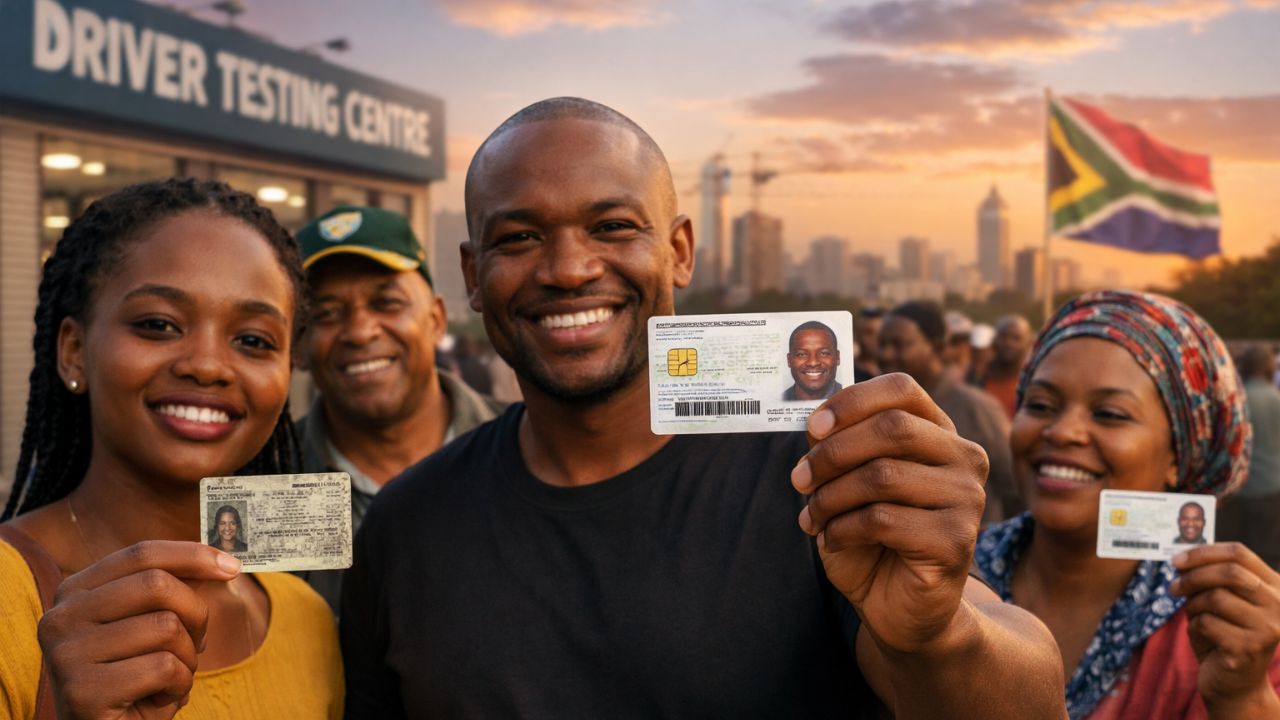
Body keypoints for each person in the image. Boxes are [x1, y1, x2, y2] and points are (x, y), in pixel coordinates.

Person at [340, 97, 1065, 718]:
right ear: (472, 274)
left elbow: (1031, 697)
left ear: (679, 252)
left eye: (612, 226)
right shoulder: (406, 526)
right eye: (520, 237)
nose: (567, 268)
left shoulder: (824, 476)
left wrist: (937, 632)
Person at [0, 179, 342, 719]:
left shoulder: (308, 618)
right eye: (157, 325)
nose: (206, 365)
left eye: (253, 340)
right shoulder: (6, 598)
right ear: (72, 353)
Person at [974, 290, 1280, 720]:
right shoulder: (948, 578)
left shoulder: (1235, 636)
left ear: (1179, 454)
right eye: (1040, 405)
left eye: (1110, 414)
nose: (1063, 432)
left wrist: (1243, 699)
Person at [293, 204, 505, 611]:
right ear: (298, 344)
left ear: (436, 320)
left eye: (386, 302)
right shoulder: (264, 486)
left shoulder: (530, 449)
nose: (359, 331)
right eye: (326, 313)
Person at [879, 300, 1020, 522]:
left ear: (936, 347)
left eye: (899, 344)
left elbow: (1016, 487)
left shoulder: (977, 408)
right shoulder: (880, 407)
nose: (886, 354)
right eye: (883, 344)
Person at [1219, 344, 1280, 569]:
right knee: (1271, 556)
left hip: (1240, 490)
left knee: (1240, 555)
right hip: (1273, 486)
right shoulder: (1276, 398)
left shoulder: (1238, 400)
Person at [983, 314, 1033, 419]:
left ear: (1029, 342)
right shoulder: (977, 377)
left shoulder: (1033, 382)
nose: (1009, 343)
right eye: (1003, 336)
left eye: (1016, 338)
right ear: (994, 339)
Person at [782, 320, 842, 401]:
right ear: (789, 360)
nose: (813, 363)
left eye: (823, 353)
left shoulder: (848, 396)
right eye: (802, 354)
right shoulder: (776, 401)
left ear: (837, 357)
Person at [853, 306, 883, 381]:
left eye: (870, 333)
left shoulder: (895, 371)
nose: (864, 339)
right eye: (859, 332)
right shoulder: (847, 371)